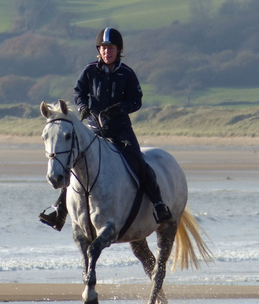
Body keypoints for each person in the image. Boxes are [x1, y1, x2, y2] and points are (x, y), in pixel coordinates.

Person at [39, 27, 172, 231]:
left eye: (110, 48)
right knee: (75, 166)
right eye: (103, 48)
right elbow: (78, 92)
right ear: (98, 50)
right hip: (94, 129)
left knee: (138, 162)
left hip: (120, 129)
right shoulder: (90, 70)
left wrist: (120, 109)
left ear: (118, 50)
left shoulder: (127, 73)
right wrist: (83, 106)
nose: (106, 52)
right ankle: (59, 212)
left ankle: (158, 204)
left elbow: (136, 101)